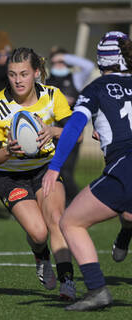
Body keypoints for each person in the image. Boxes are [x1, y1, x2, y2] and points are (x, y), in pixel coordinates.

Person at [42, 31, 132, 311]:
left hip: (125, 165)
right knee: (128, 212)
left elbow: (73, 128)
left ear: (100, 59)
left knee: (70, 222)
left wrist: (54, 168)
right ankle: (125, 230)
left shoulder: (95, 88)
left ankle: (97, 291)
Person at [0, 47, 79, 300]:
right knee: (38, 233)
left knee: (55, 219)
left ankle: (68, 282)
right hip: (9, 176)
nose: (18, 80)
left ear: (36, 73)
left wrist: (53, 131)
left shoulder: (52, 95)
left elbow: (75, 134)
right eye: (13, 74)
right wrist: (9, 151)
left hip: (46, 169)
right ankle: (40, 254)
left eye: (24, 74)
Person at [46, 48, 94, 206]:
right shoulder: (46, 81)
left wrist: (65, 56)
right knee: (53, 171)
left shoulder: (76, 78)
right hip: (51, 132)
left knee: (66, 171)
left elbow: (88, 66)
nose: (58, 65)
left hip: (72, 131)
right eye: (55, 62)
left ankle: (77, 204)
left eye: (62, 62)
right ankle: (60, 205)